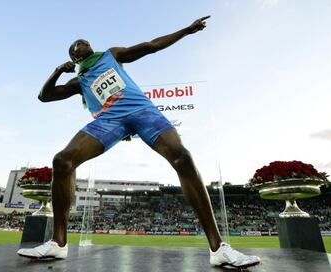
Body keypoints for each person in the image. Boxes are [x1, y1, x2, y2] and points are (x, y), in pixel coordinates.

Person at [17, 17, 260, 269]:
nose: (85, 42)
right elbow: (44, 96)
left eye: (87, 41)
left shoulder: (110, 55)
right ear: (74, 56)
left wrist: (187, 31)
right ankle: (58, 244)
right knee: (62, 160)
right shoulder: (79, 81)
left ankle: (218, 248)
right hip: (110, 120)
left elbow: (151, 45)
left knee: (183, 158)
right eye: (79, 43)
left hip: (143, 112)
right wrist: (58, 71)